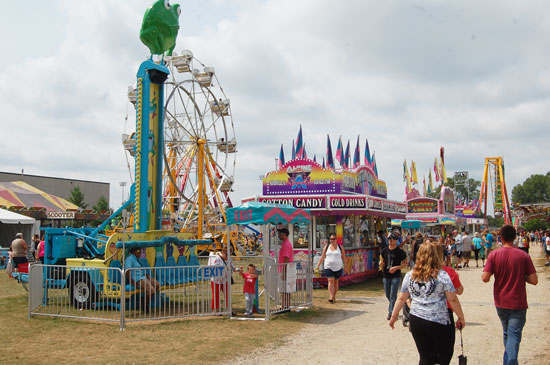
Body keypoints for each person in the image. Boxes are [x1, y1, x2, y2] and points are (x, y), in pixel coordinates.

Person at [390, 243, 466, 365]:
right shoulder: (442, 275)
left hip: (417, 319)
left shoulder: (410, 275)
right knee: (444, 355)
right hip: (439, 320)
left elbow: (401, 298)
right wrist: (461, 317)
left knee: (425, 357)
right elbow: (452, 299)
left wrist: (394, 316)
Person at [482, 224, 538, 365]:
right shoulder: (523, 255)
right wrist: (521, 275)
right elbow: (534, 280)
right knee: (513, 335)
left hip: (501, 301)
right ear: (515, 237)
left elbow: (485, 278)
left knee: (507, 333)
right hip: (517, 301)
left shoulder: (494, 254)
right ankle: (511, 361)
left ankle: (507, 361)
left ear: (500, 237)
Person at [380, 233, 407, 320]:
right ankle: (395, 306)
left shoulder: (400, 252)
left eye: (392, 240)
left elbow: (405, 264)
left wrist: (396, 267)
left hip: (396, 275)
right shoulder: (384, 251)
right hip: (386, 275)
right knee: (388, 294)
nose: (390, 241)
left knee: (393, 294)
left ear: (396, 241)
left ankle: (391, 313)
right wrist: (381, 264)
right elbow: (381, 262)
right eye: (389, 239)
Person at [315, 234, 345, 303]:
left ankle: (334, 295)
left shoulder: (340, 247)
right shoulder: (326, 247)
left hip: (338, 267)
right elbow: (322, 257)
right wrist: (318, 266)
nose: (332, 240)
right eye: (331, 239)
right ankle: (331, 296)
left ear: (336, 240)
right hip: (328, 266)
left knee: (336, 282)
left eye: (333, 239)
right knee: (330, 280)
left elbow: (344, 257)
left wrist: (345, 266)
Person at [278, 228, 294, 310]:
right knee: (285, 288)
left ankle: (284, 306)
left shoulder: (286, 244)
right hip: (284, 269)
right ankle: (285, 305)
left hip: (285, 269)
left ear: (284, 235)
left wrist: (284, 272)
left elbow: (286, 258)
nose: (279, 235)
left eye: (280, 234)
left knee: (284, 289)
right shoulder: (285, 243)